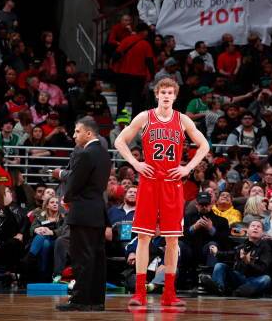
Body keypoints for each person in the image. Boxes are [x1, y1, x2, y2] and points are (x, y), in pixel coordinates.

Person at [114, 77, 210, 307]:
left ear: (175, 96)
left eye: (170, 93)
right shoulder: (145, 116)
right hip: (148, 182)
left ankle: (169, 292)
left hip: (171, 183)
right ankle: (139, 292)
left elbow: (204, 145)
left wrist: (187, 167)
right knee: (144, 237)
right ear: (157, 94)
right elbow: (119, 141)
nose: (166, 96)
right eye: (163, 92)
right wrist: (135, 164)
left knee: (172, 240)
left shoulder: (182, 119)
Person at [56, 117, 111, 312]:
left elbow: (74, 184)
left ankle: (80, 300)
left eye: (77, 131)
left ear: (89, 133)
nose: (74, 135)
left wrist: (66, 198)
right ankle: (96, 301)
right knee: (97, 258)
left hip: (82, 211)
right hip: (97, 211)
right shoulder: (105, 154)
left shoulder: (85, 154)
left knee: (81, 258)